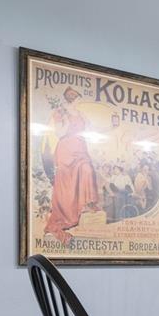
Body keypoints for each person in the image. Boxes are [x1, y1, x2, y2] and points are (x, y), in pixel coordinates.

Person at [44, 87, 99, 243]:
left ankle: (87, 204)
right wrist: (67, 122)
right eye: (77, 99)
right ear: (72, 99)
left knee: (87, 169)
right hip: (66, 150)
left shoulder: (80, 113)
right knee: (67, 184)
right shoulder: (60, 113)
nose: (79, 102)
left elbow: (90, 127)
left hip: (80, 148)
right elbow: (59, 133)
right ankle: (68, 214)